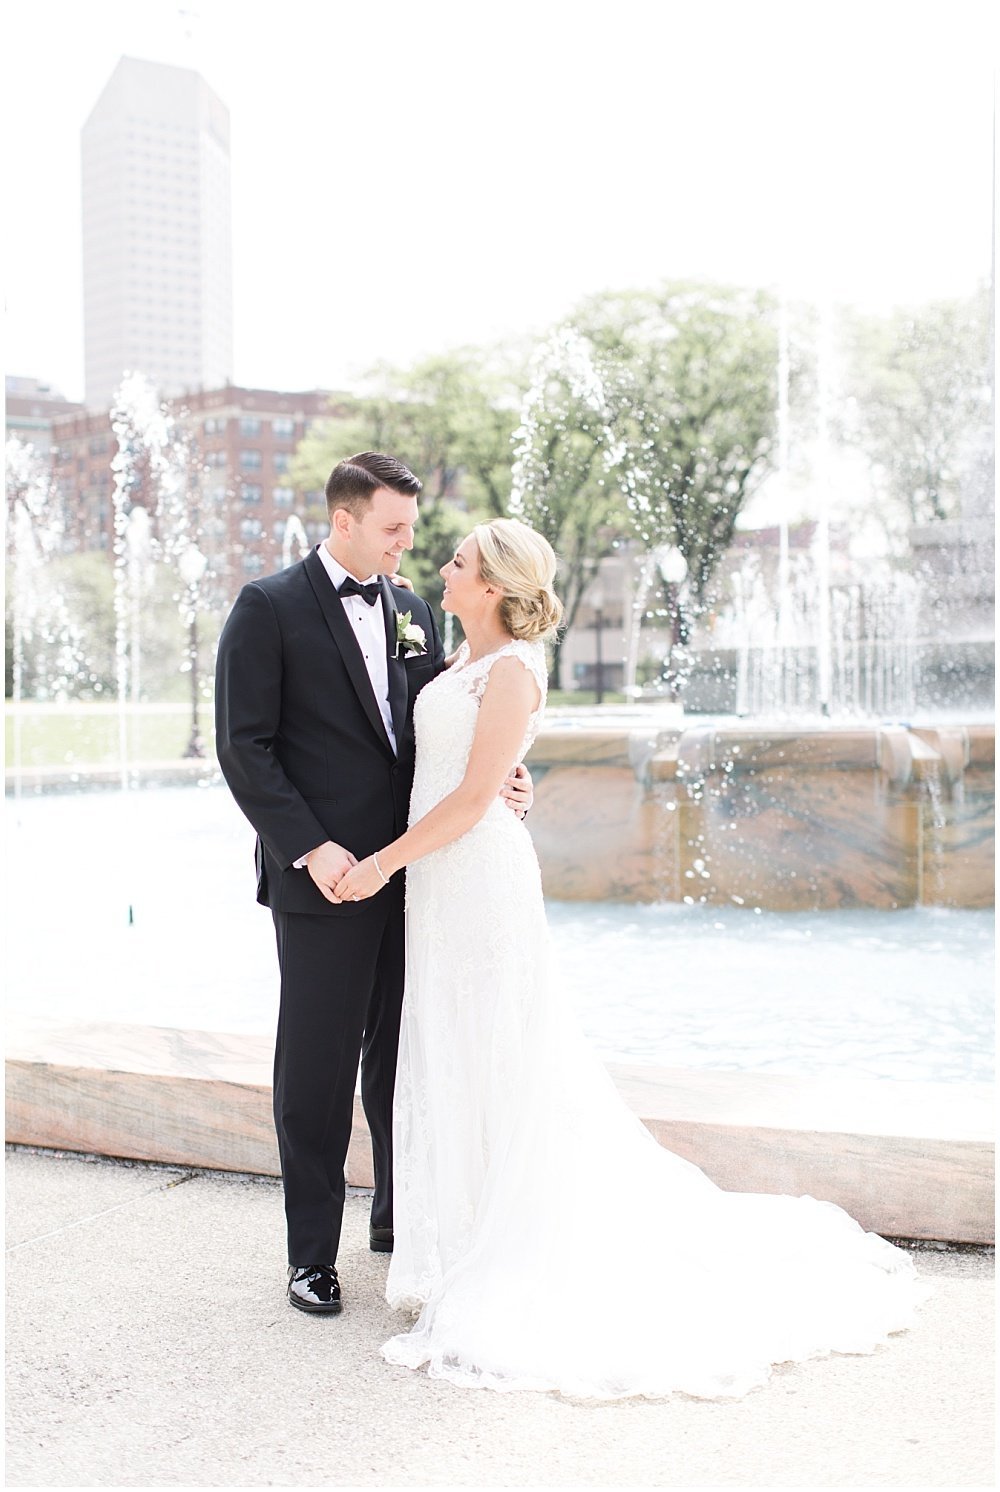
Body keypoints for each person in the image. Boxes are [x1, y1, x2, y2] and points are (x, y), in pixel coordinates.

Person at [334, 516, 926, 1400]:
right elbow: (469, 771)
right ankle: (462, 1235)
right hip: (442, 888)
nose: (442, 572)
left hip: (478, 879)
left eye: (457, 564)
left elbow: (469, 799)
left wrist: (381, 863)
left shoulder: (514, 671)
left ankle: (512, 1242)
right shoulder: (457, 659)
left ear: (492, 585)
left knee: (501, 1050)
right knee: (453, 1047)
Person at [214, 453, 531, 1316]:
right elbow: (246, 748)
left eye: (413, 530)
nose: (408, 546)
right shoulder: (267, 607)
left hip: (422, 878)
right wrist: (311, 850)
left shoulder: (416, 611)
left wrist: (509, 783)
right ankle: (311, 1254)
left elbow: (448, 727)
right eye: (393, 529)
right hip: (324, 881)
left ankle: (400, 1222)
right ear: (344, 520)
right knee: (314, 1072)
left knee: (405, 1056)